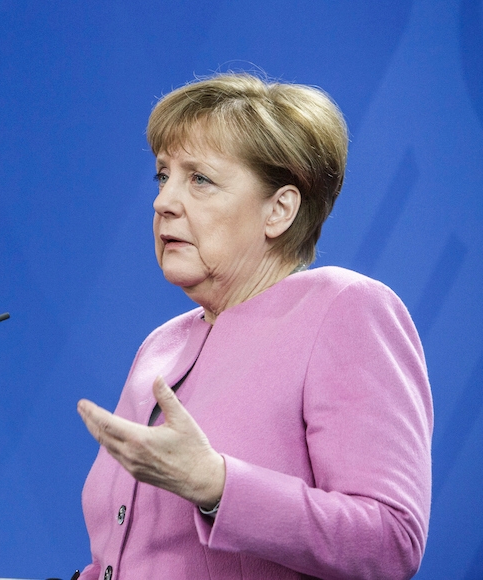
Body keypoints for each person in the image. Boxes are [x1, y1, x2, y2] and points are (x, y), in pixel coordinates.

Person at [76, 74, 432, 579]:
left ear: (279, 209)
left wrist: (218, 486)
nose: (163, 202)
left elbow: (390, 541)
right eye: (163, 176)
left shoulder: (345, 309)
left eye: (199, 179)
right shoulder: (161, 344)